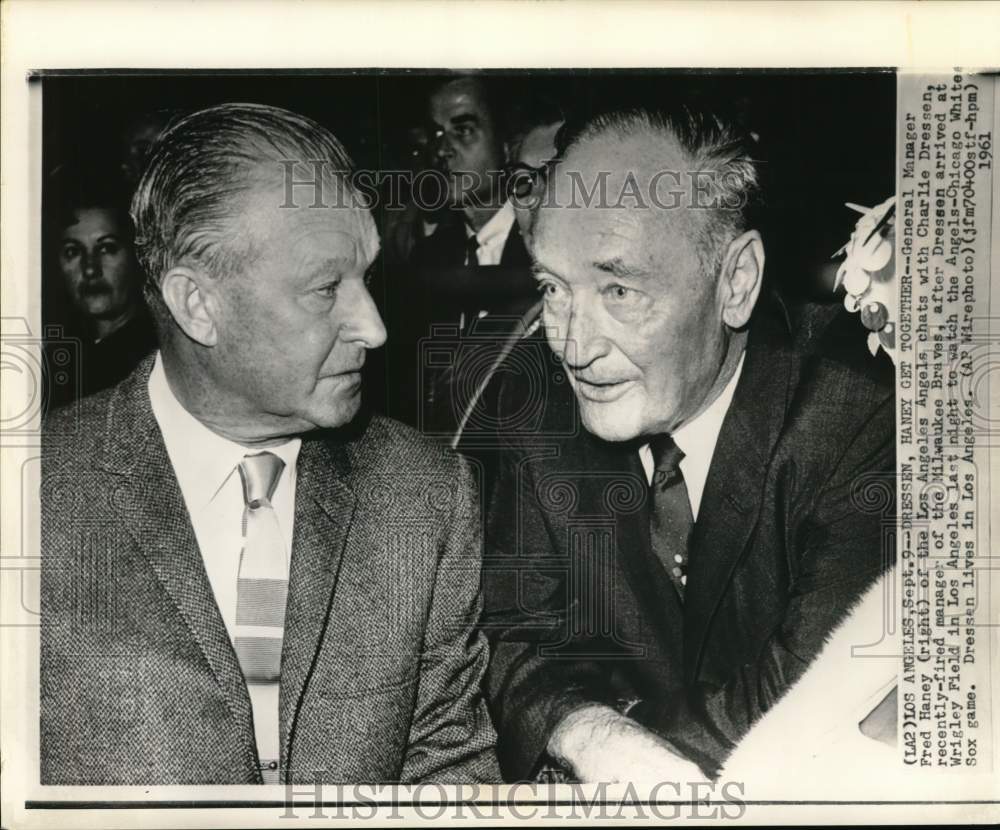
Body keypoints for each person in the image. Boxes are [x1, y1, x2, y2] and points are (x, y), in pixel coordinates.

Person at [41, 103, 499, 785]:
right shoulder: (31, 495)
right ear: (198, 306)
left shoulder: (424, 497)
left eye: (366, 279)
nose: (372, 328)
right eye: (325, 290)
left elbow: (450, 767)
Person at [480, 101, 895, 782]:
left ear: (736, 282)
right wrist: (586, 731)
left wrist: (611, 742)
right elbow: (514, 635)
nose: (573, 346)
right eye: (554, 288)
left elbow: (801, 704)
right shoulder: (535, 409)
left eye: (618, 289)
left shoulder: (858, 415)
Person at [44, 166, 157, 409]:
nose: (90, 269)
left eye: (106, 248)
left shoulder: (155, 358)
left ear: (136, 255)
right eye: (73, 251)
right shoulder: (57, 355)